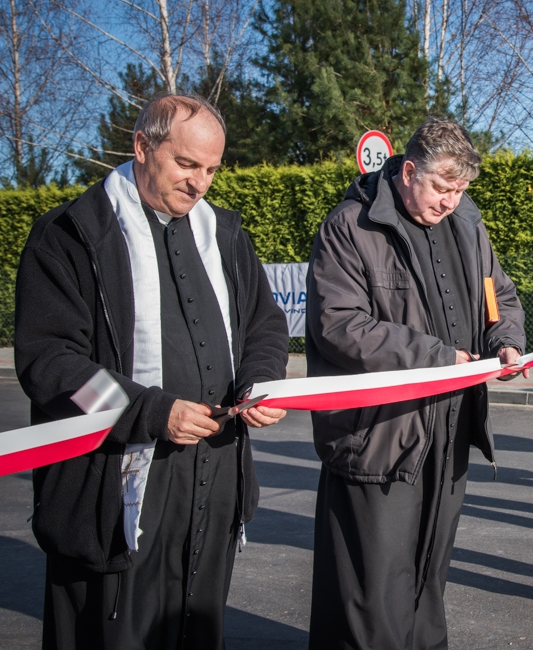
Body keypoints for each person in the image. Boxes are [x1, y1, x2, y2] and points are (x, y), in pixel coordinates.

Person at [15, 94, 289, 650]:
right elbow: (51, 364)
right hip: (111, 493)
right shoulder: (69, 236)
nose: (201, 184)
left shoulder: (227, 236)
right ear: (142, 147)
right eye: (187, 164)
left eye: (212, 169)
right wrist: (150, 410)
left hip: (212, 491)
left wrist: (262, 379)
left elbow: (265, 325)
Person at [305, 118, 526, 649]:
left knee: (428, 577)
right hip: (378, 435)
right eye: (443, 187)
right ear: (408, 172)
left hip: (449, 432)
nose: (451, 201)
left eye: (461, 190)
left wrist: (505, 340)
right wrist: (439, 356)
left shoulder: (469, 226)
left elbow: (500, 298)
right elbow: (340, 326)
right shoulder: (350, 226)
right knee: (372, 587)